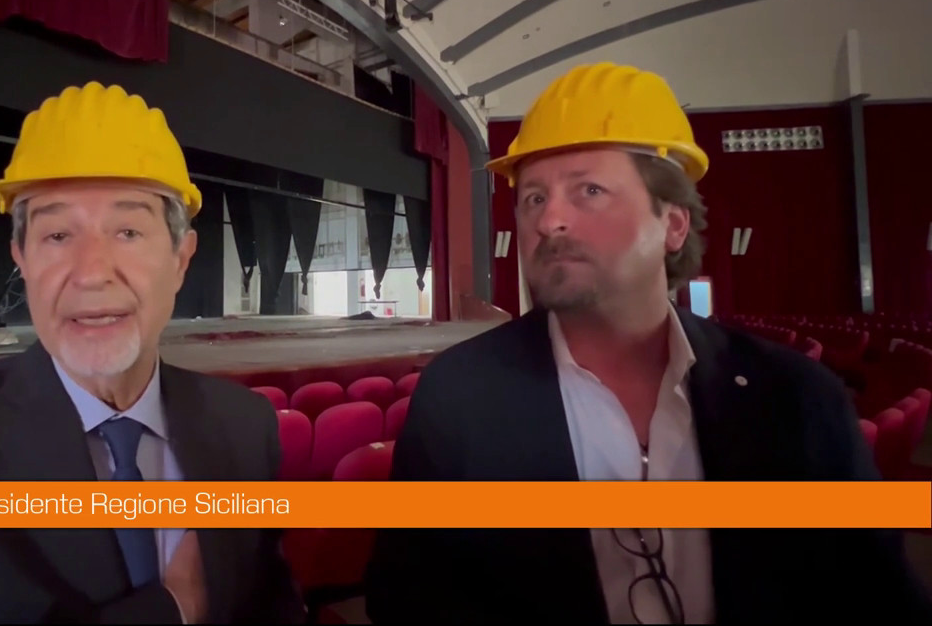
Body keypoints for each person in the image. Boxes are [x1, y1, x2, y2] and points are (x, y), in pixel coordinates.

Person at [365, 62, 932, 623]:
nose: (549, 220)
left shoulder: (797, 399)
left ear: (673, 225)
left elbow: (875, 599)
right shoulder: (457, 400)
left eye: (589, 190)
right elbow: (411, 601)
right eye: (534, 197)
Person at [0, 83, 305, 624]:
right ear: (21, 258)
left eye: (128, 231)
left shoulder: (245, 427)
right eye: (56, 236)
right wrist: (171, 608)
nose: (92, 272)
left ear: (181, 259)